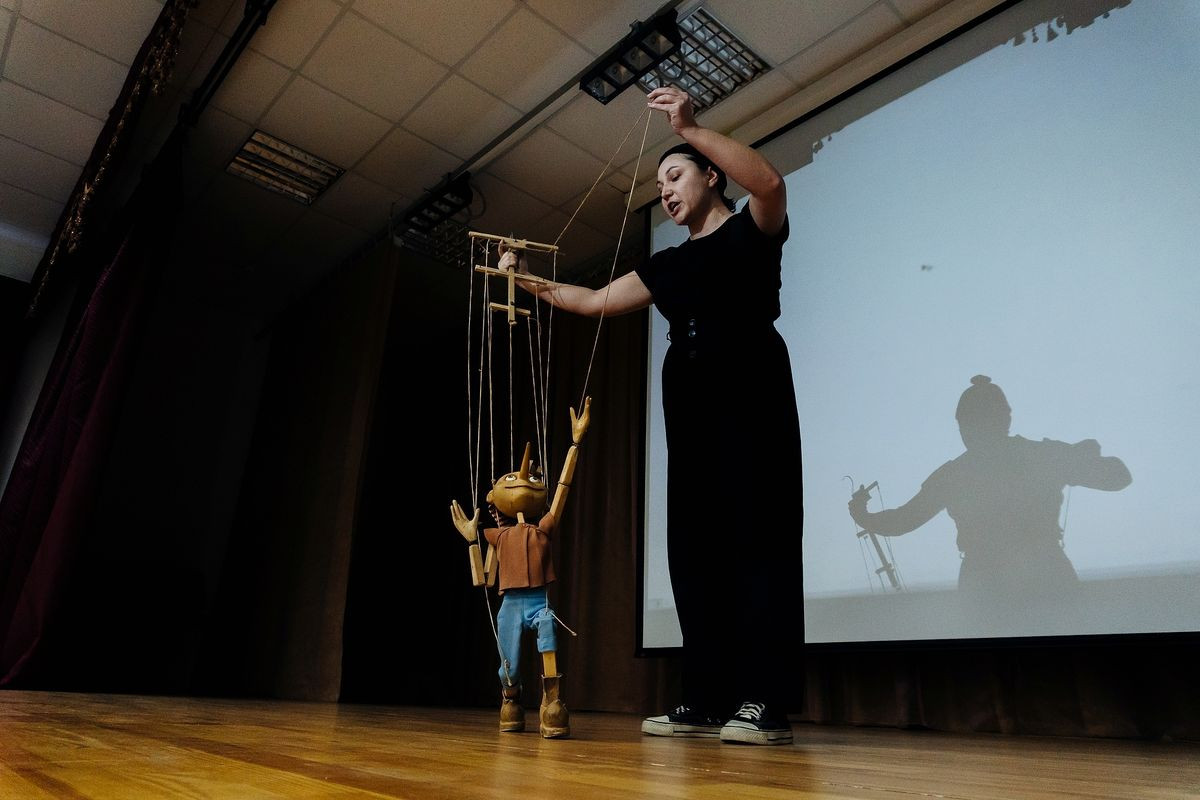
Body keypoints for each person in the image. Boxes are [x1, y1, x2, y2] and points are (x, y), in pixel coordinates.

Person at [505, 85, 802, 746]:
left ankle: (764, 701)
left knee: (757, 542)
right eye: (659, 183)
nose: (665, 190)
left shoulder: (751, 231)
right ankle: (705, 698)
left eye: (676, 175)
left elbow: (771, 183)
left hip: (750, 392)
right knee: (695, 551)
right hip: (689, 402)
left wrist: (689, 128)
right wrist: (521, 276)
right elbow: (590, 302)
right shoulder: (667, 265)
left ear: (711, 175)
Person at [848, 375, 1132, 606]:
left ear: (967, 425)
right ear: (1005, 418)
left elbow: (902, 521)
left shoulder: (955, 474)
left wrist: (862, 515)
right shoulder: (1043, 455)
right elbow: (1119, 477)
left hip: (985, 588)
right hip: (1047, 579)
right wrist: (1082, 459)